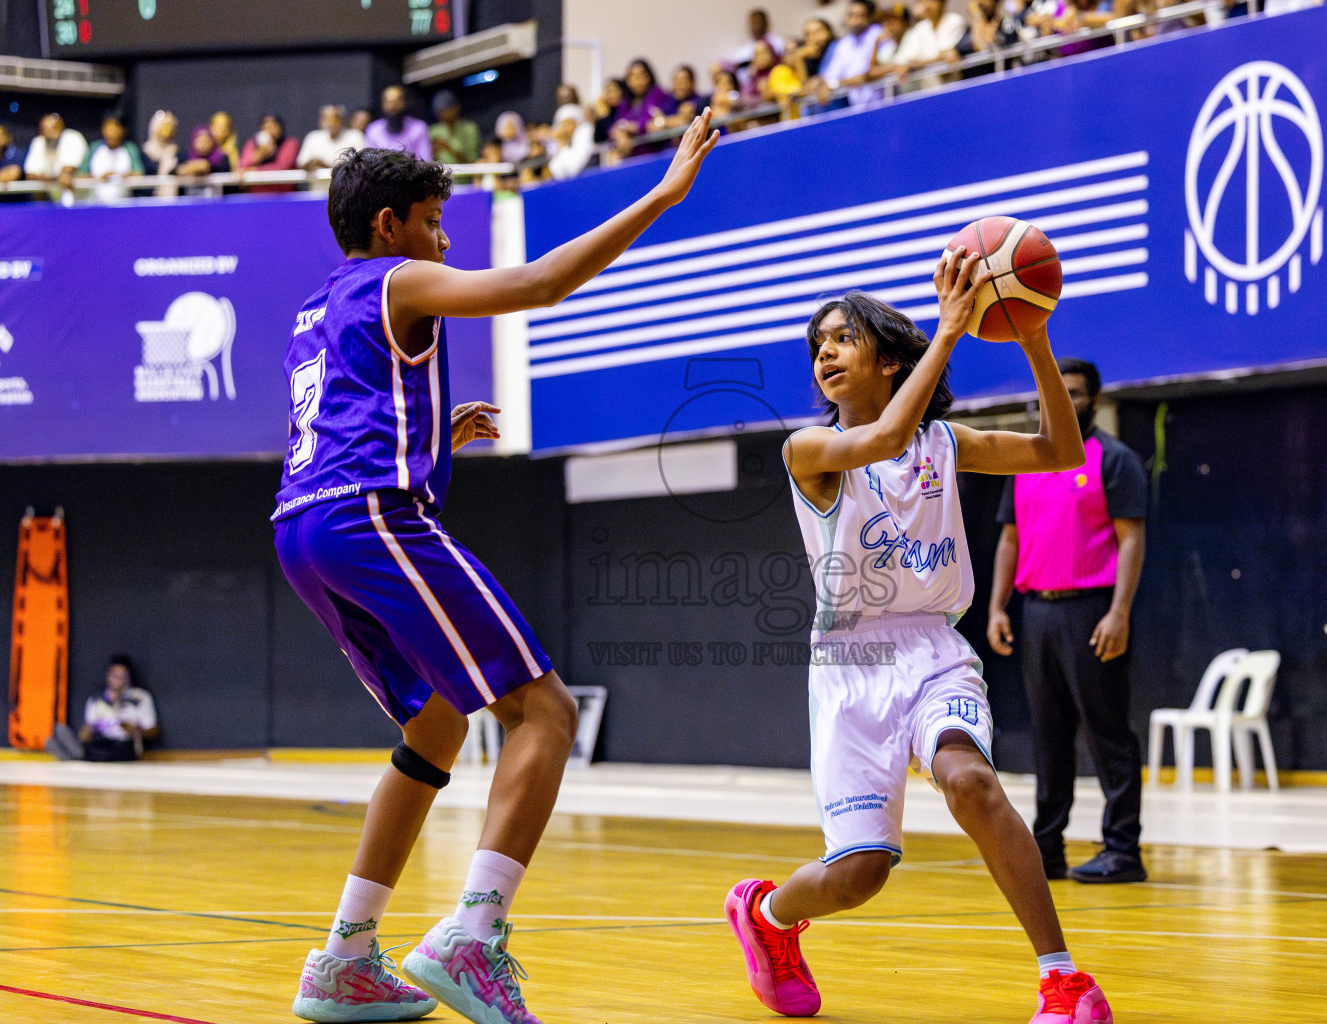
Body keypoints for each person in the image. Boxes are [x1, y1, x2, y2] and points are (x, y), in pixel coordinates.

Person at [278, 111, 717, 1024]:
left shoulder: (319, 307)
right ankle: (474, 937)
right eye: (434, 221)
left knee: (436, 729)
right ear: (390, 224)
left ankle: (345, 957)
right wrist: (663, 195)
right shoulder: (400, 278)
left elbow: (343, 423)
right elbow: (540, 283)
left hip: (302, 530)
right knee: (545, 711)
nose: (444, 239)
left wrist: (437, 432)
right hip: (368, 518)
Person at [723, 257, 1113, 1024]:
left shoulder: (939, 442)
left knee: (971, 782)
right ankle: (766, 916)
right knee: (860, 875)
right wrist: (954, 330)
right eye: (818, 345)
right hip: (850, 661)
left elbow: (1060, 452)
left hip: (934, 647)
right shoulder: (808, 449)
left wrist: (1032, 337)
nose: (825, 354)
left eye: (843, 338)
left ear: (889, 358)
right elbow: (888, 429)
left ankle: (1062, 978)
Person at [987, 358, 1148, 885]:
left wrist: (1118, 613)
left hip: (1091, 611)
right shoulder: (1027, 462)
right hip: (1037, 613)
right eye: (1057, 394)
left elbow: (1131, 539)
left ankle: (1122, 850)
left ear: (1094, 400)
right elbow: (1009, 539)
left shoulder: (1114, 459)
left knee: (1108, 735)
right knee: (1048, 736)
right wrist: (996, 606)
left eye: (1075, 394)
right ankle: (1046, 849)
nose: (1065, 402)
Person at [75, 656, 159, 761]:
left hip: (124, 746)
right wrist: (86, 732)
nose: (119, 680)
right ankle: (77, 755)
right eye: (115, 675)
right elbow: (87, 730)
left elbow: (153, 731)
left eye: (123, 676)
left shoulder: (139, 697)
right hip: (100, 744)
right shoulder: (95, 700)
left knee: (119, 750)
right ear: (108, 675)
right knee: (59, 736)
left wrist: (135, 730)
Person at [812, 0, 885, 110]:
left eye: (860, 15)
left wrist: (835, 84)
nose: (855, 19)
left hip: (884, 102)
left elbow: (866, 74)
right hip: (857, 107)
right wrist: (827, 84)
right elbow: (831, 75)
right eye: (851, 14)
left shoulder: (878, 34)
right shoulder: (844, 43)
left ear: (869, 17)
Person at [23, 113, 88, 203]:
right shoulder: (38, 141)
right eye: (44, 129)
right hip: (51, 199)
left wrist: (48, 178)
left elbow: (67, 172)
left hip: (81, 200)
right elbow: (30, 175)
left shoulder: (72, 137)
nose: (48, 132)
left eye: (53, 128)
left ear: (61, 127)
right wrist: (55, 179)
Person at [87, 114, 144, 204]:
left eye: (115, 127)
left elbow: (139, 174)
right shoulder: (94, 148)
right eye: (108, 127)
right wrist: (99, 178)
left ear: (123, 130)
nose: (111, 131)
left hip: (124, 204)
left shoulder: (130, 149)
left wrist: (121, 176)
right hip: (95, 204)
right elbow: (81, 174)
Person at [366, 85, 433, 160]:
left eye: (397, 101)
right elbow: (370, 162)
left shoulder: (418, 128)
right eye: (388, 102)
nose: (393, 106)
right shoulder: (373, 130)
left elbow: (424, 160)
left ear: (406, 102)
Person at [239, 113, 300, 193]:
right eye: (266, 127)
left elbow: (282, 167)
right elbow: (242, 165)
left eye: (273, 126)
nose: (269, 130)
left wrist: (255, 170)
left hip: (282, 195)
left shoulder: (290, 143)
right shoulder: (253, 143)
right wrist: (259, 155)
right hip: (256, 195)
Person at [297, 105, 367, 173]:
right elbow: (300, 164)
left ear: (341, 120)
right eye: (326, 119)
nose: (330, 123)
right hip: (318, 184)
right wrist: (312, 162)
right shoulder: (313, 137)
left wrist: (326, 166)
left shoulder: (355, 136)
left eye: (334, 119)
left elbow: (360, 164)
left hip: (345, 184)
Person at [428, 90, 480, 165]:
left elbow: (472, 162)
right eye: (439, 111)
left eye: (446, 109)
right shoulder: (433, 131)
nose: (443, 114)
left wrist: (449, 148)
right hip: (442, 174)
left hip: (465, 174)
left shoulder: (469, 128)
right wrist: (432, 151)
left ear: (456, 107)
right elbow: (428, 161)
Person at [140, 109, 180, 197]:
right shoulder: (143, 155)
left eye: (170, 126)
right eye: (164, 126)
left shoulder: (177, 155)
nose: (167, 130)